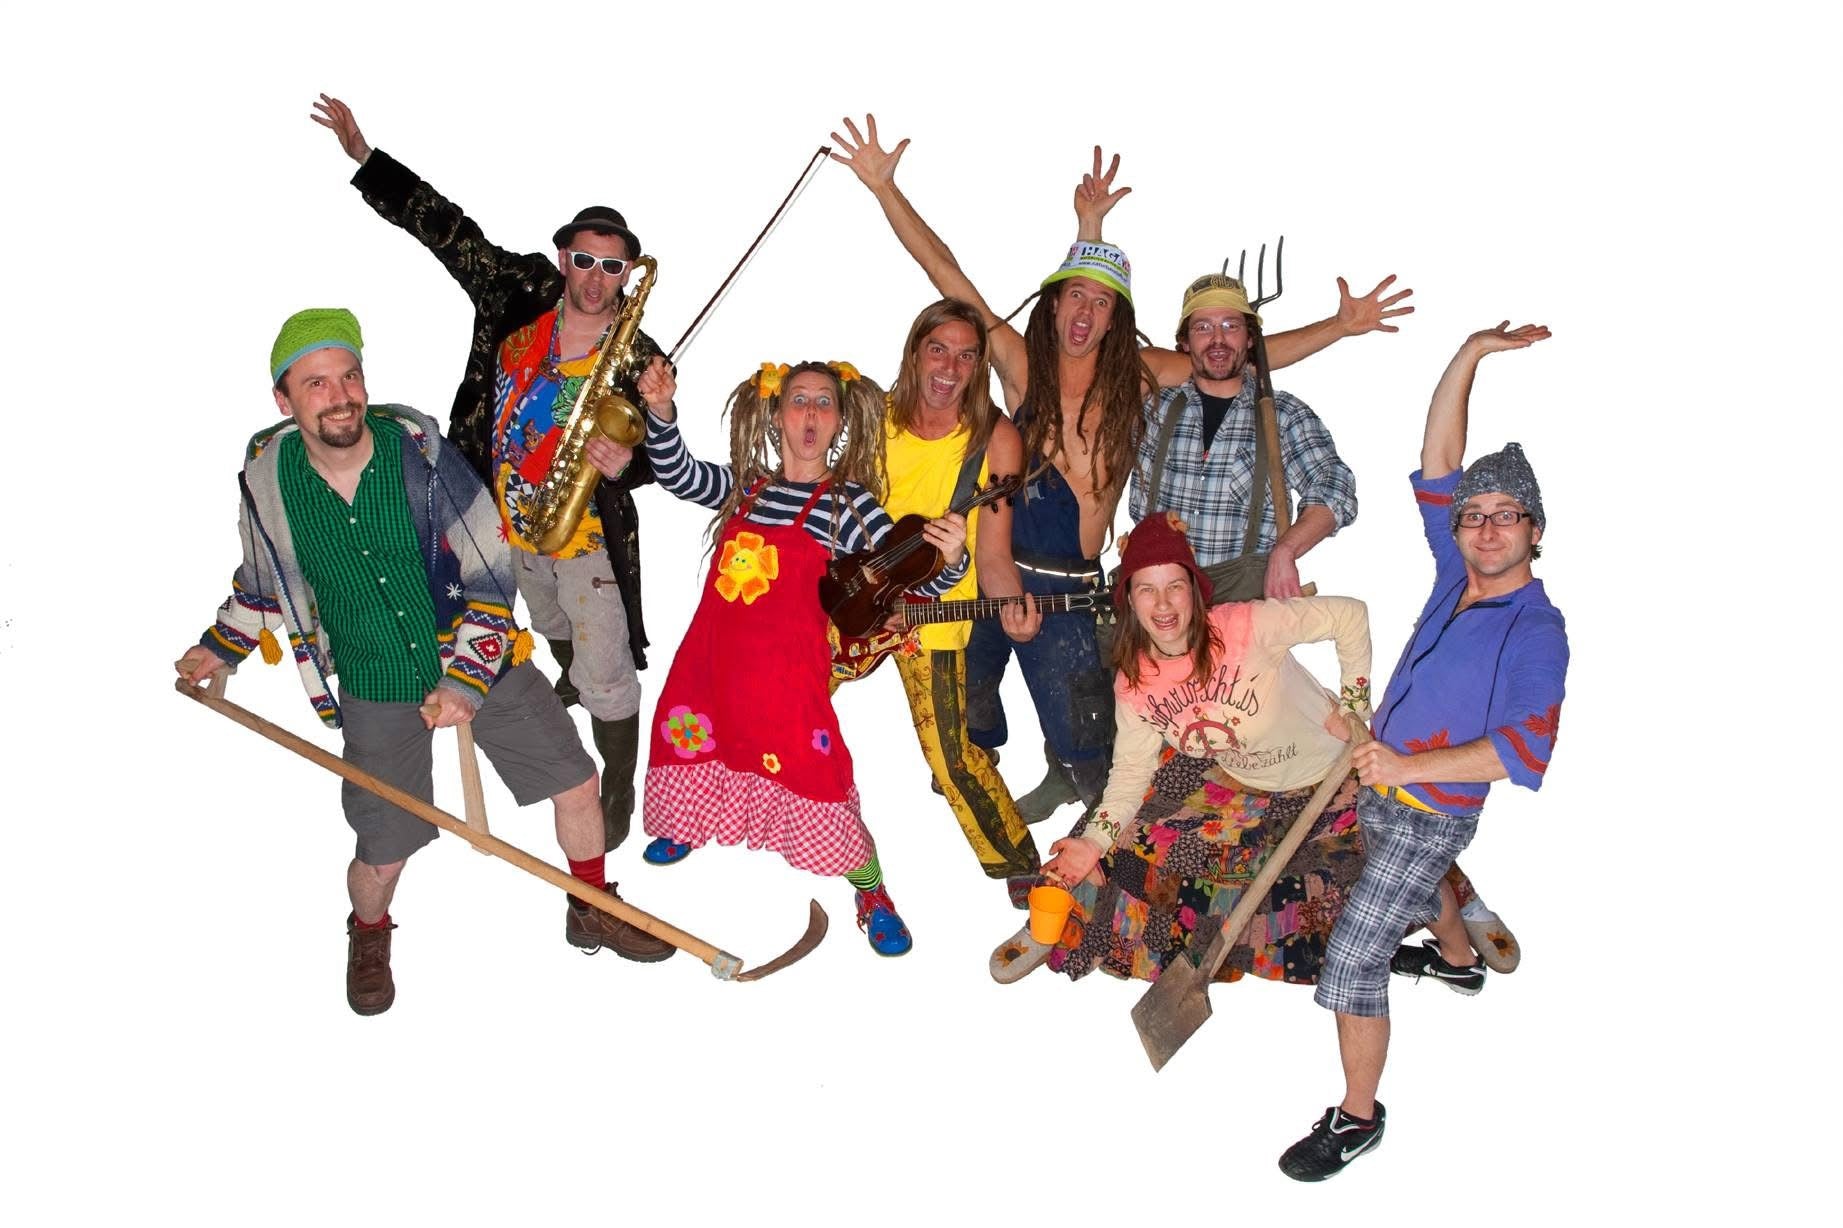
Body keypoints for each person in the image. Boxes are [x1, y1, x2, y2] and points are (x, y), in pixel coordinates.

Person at [830, 119, 1408, 822]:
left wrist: (1338, 327)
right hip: (996, 567)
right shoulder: (1018, 362)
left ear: (1116, 318)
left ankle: (1086, 797)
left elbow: (1237, 360)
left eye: (1101, 302)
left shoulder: (1139, 374)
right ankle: (1000, 786)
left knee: (1085, 725)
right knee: (968, 715)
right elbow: (947, 275)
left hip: (1072, 583)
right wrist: (885, 189)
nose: (1085, 311)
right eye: (1074, 295)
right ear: (1053, 304)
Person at [174, 310, 672, 1017]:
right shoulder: (267, 483)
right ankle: (369, 931)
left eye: (349, 376)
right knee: (382, 852)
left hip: (476, 652)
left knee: (577, 782)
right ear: (284, 399)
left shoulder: (420, 456)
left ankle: (592, 903)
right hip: (373, 677)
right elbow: (265, 583)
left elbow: (491, 574)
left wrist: (466, 679)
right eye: (316, 383)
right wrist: (219, 646)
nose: (340, 396)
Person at [311, 94, 655, 851]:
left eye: (612, 265)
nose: (595, 277)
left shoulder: (640, 352)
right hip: (492, 518)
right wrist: (367, 158)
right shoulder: (518, 289)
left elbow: (653, 461)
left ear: (628, 273)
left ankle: (619, 781)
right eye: (584, 259)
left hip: (585, 531)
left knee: (605, 663)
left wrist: (630, 456)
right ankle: (568, 673)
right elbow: (449, 231)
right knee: (549, 624)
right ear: (563, 258)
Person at [1279, 321, 1567, 1181]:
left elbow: (1521, 750)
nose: (1483, 527)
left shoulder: (1536, 630)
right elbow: (1438, 456)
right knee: (1400, 879)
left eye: (1504, 516)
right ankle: (1456, 960)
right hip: (1379, 781)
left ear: (1535, 531)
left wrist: (1404, 766)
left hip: (1428, 810)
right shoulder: (1455, 576)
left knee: (1353, 955)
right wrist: (1468, 353)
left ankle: (1357, 1118)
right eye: (1472, 515)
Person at [632, 357, 969, 956]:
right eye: (799, 400)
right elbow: (678, 474)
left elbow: (908, 583)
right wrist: (660, 412)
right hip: (709, 665)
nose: (810, 412)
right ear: (776, 415)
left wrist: (952, 558)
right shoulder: (746, 488)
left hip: (788, 680)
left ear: (838, 421)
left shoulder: (849, 506)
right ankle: (689, 821)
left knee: (821, 776)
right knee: (692, 741)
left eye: (823, 402)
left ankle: (871, 893)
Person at [989, 511, 1374, 986]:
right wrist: (1093, 844)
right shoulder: (1136, 681)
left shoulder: (1245, 626)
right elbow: (1130, 775)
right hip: (1237, 783)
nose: (1163, 603)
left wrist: (1354, 706)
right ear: (1128, 598)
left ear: (1194, 589)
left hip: (1327, 781)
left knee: (1328, 880)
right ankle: (1057, 922)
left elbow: (1349, 615)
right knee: (1112, 840)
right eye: (1146, 589)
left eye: (1174, 586)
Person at [869, 299, 1044, 888]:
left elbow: (993, 553)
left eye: (967, 357)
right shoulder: (873, 418)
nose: (949, 368)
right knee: (776, 683)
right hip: (860, 599)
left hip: (936, 612)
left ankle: (1022, 867)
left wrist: (1014, 604)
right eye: (938, 350)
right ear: (915, 352)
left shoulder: (996, 440)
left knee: (951, 758)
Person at [1131, 272, 1359, 600]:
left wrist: (1286, 550)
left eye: (1231, 326)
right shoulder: (1151, 407)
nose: (1218, 339)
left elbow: (1336, 487)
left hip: (1244, 609)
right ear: (1185, 343)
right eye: (1203, 327)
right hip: (1158, 606)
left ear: (1250, 339)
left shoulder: (1282, 415)